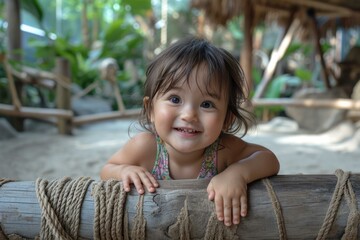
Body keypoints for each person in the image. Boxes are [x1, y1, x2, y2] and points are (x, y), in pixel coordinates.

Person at [100, 36, 280, 227]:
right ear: (150, 109)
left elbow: (268, 158)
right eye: (175, 99)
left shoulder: (223, 149)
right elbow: (106, 170)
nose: (189, 115)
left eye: (206, 104)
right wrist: (124, 171)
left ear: (227, 119)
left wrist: (238, 173)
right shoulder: (145, 147)